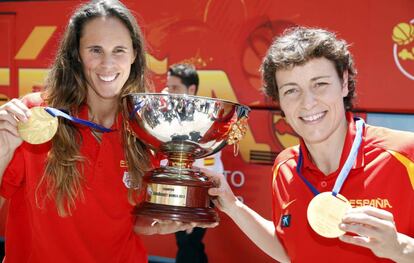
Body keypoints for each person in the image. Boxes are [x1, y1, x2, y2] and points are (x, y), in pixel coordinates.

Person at [0, 1, 194, 262]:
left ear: (134, 54)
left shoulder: (147, 128)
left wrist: (157, 224)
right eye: (95, 50)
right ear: (76, 54)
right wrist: (3, 151)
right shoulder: (34, 116)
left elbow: (127, 219)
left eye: (119, 50)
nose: (108, 63)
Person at [206, 27, 414, 263]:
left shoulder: (405, 154)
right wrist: (233, 207)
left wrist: (401, 249)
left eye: (320, 84)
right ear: (280, 102)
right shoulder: (285, 166)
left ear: (344, 83)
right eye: (292, 90)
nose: (308, 102)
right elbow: (290, 251)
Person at [163, 63, 224, 263]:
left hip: (199, 195)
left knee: (189, 244)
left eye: (175, 88)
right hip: (173, 194)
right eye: (168, 87)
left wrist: (194, 203)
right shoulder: (163, 118)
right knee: (188, 244)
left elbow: (208, 163)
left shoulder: (205, 121)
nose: (169, 93)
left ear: (191, 89)